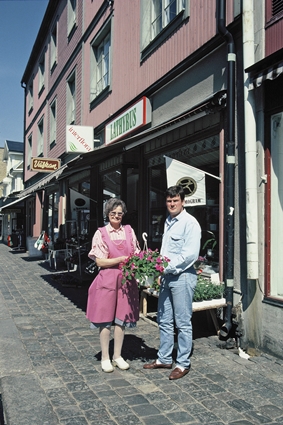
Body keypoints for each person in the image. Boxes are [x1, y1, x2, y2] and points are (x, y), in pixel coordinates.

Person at [143, 185, 201, 380]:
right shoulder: (168, 221)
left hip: (183, 276)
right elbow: (166, 250)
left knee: (183, 322)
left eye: (175, 200)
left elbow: (189, 255)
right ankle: (164, 358)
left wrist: (163, 268)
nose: (172, 204)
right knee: (164, 319)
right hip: (167, 276)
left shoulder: (189, 223)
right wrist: (160, 270)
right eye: (169, 201)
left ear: (183, 202)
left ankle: (183, 363)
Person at [86, 198, 140, 373]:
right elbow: (100, 261)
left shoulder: (129, 231)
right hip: (108, 279)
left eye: (119, 213)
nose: (116, 216)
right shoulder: (100, 233)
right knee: (105, 319)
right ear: (107, 215)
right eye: (113, 213)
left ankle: (117, 355)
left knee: (121, 319)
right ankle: (105, 357)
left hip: (126, 279)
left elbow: (137, 253)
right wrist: (119, 260)